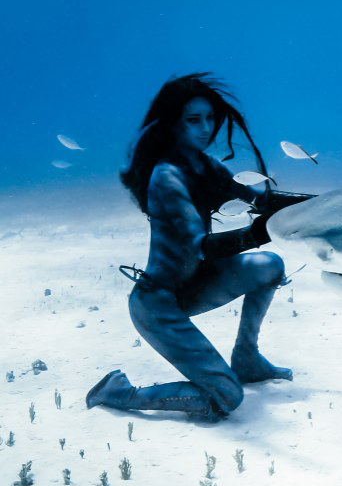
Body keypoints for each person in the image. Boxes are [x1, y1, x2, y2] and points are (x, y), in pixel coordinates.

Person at [86, 73, 314, 421]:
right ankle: (118, 393)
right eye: (193, 120)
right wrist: (261, 232)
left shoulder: (205, 165)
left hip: (197, 284)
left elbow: (260, 200)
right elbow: (200, 247)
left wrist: (323, 205)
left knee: (269, 265)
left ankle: (247, 358)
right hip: (159, 302)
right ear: (172, 123)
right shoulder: (166, 177)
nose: (205, 128)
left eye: (210, 118)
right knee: (226, 398)